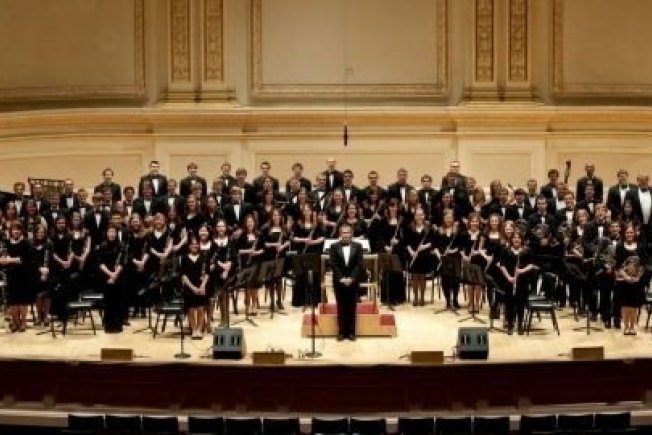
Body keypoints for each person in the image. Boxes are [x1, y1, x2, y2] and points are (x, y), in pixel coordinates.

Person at [329, 224, 363, 341]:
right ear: (340, 234)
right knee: (341, 306)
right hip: (339, 281)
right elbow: (333, 264)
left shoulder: (358, 246)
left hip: (353, 282)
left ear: (351, 234)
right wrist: (341, 278)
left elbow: (359, 264)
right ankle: (341, 332)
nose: (346, 235)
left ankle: (352, 332)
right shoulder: (334, 246)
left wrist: (352, 278)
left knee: (352, 307)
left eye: (348, 232)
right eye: (344, 233)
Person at [180, 236, 210, 339]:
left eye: (196, 243)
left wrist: (202, 286)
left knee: (201, 308)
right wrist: (193, 288)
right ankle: (193, 329)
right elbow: (183, 275)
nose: (194, 245)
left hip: (202, 286)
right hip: (189, 287)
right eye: (192, 244)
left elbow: (207, 273)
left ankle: (199, 329)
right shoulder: (184, 258)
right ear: (189, 246)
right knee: (191, 309)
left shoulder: (204, 257)